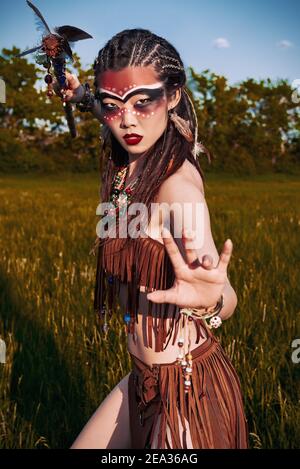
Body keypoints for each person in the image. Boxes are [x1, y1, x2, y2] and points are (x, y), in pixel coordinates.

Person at [54, 28, 249, 449]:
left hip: (185, 391)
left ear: (174, 95)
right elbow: (116, 110)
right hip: (140, 378)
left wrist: (212, 300)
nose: (127, 120)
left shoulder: (176, 187)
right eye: (113, 106)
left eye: (143, 102)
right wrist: (83, 97)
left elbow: (226, 297)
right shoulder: (131, 155)